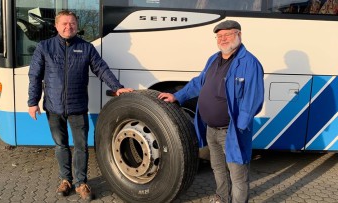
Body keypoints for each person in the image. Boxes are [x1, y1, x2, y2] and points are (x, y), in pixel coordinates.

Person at [28, 10, 133, 201]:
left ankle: (81, 183)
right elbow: (34, 76)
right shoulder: (44, 47)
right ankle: (65, 180)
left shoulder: (86, 48)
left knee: (81, 147)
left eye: (72, 24)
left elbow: (101, 68)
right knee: (61, 145)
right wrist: (32, 102)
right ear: (56, 26)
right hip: (53, 107)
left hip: (78, 107)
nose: (68, 27)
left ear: (77, 25)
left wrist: (117, 87)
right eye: (64, 24)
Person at [158, 20, 264, 203]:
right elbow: (198, 83)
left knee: (238, 175)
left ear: (239, 35)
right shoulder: (214, 59)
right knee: (218, 168)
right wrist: (178, 96)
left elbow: (253, 99)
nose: (223, 39)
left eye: (227, 35)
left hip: (232, 131)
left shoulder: (249, 63)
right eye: (219, 36)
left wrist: (239, 128)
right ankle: (222, 198)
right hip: (211, 130)